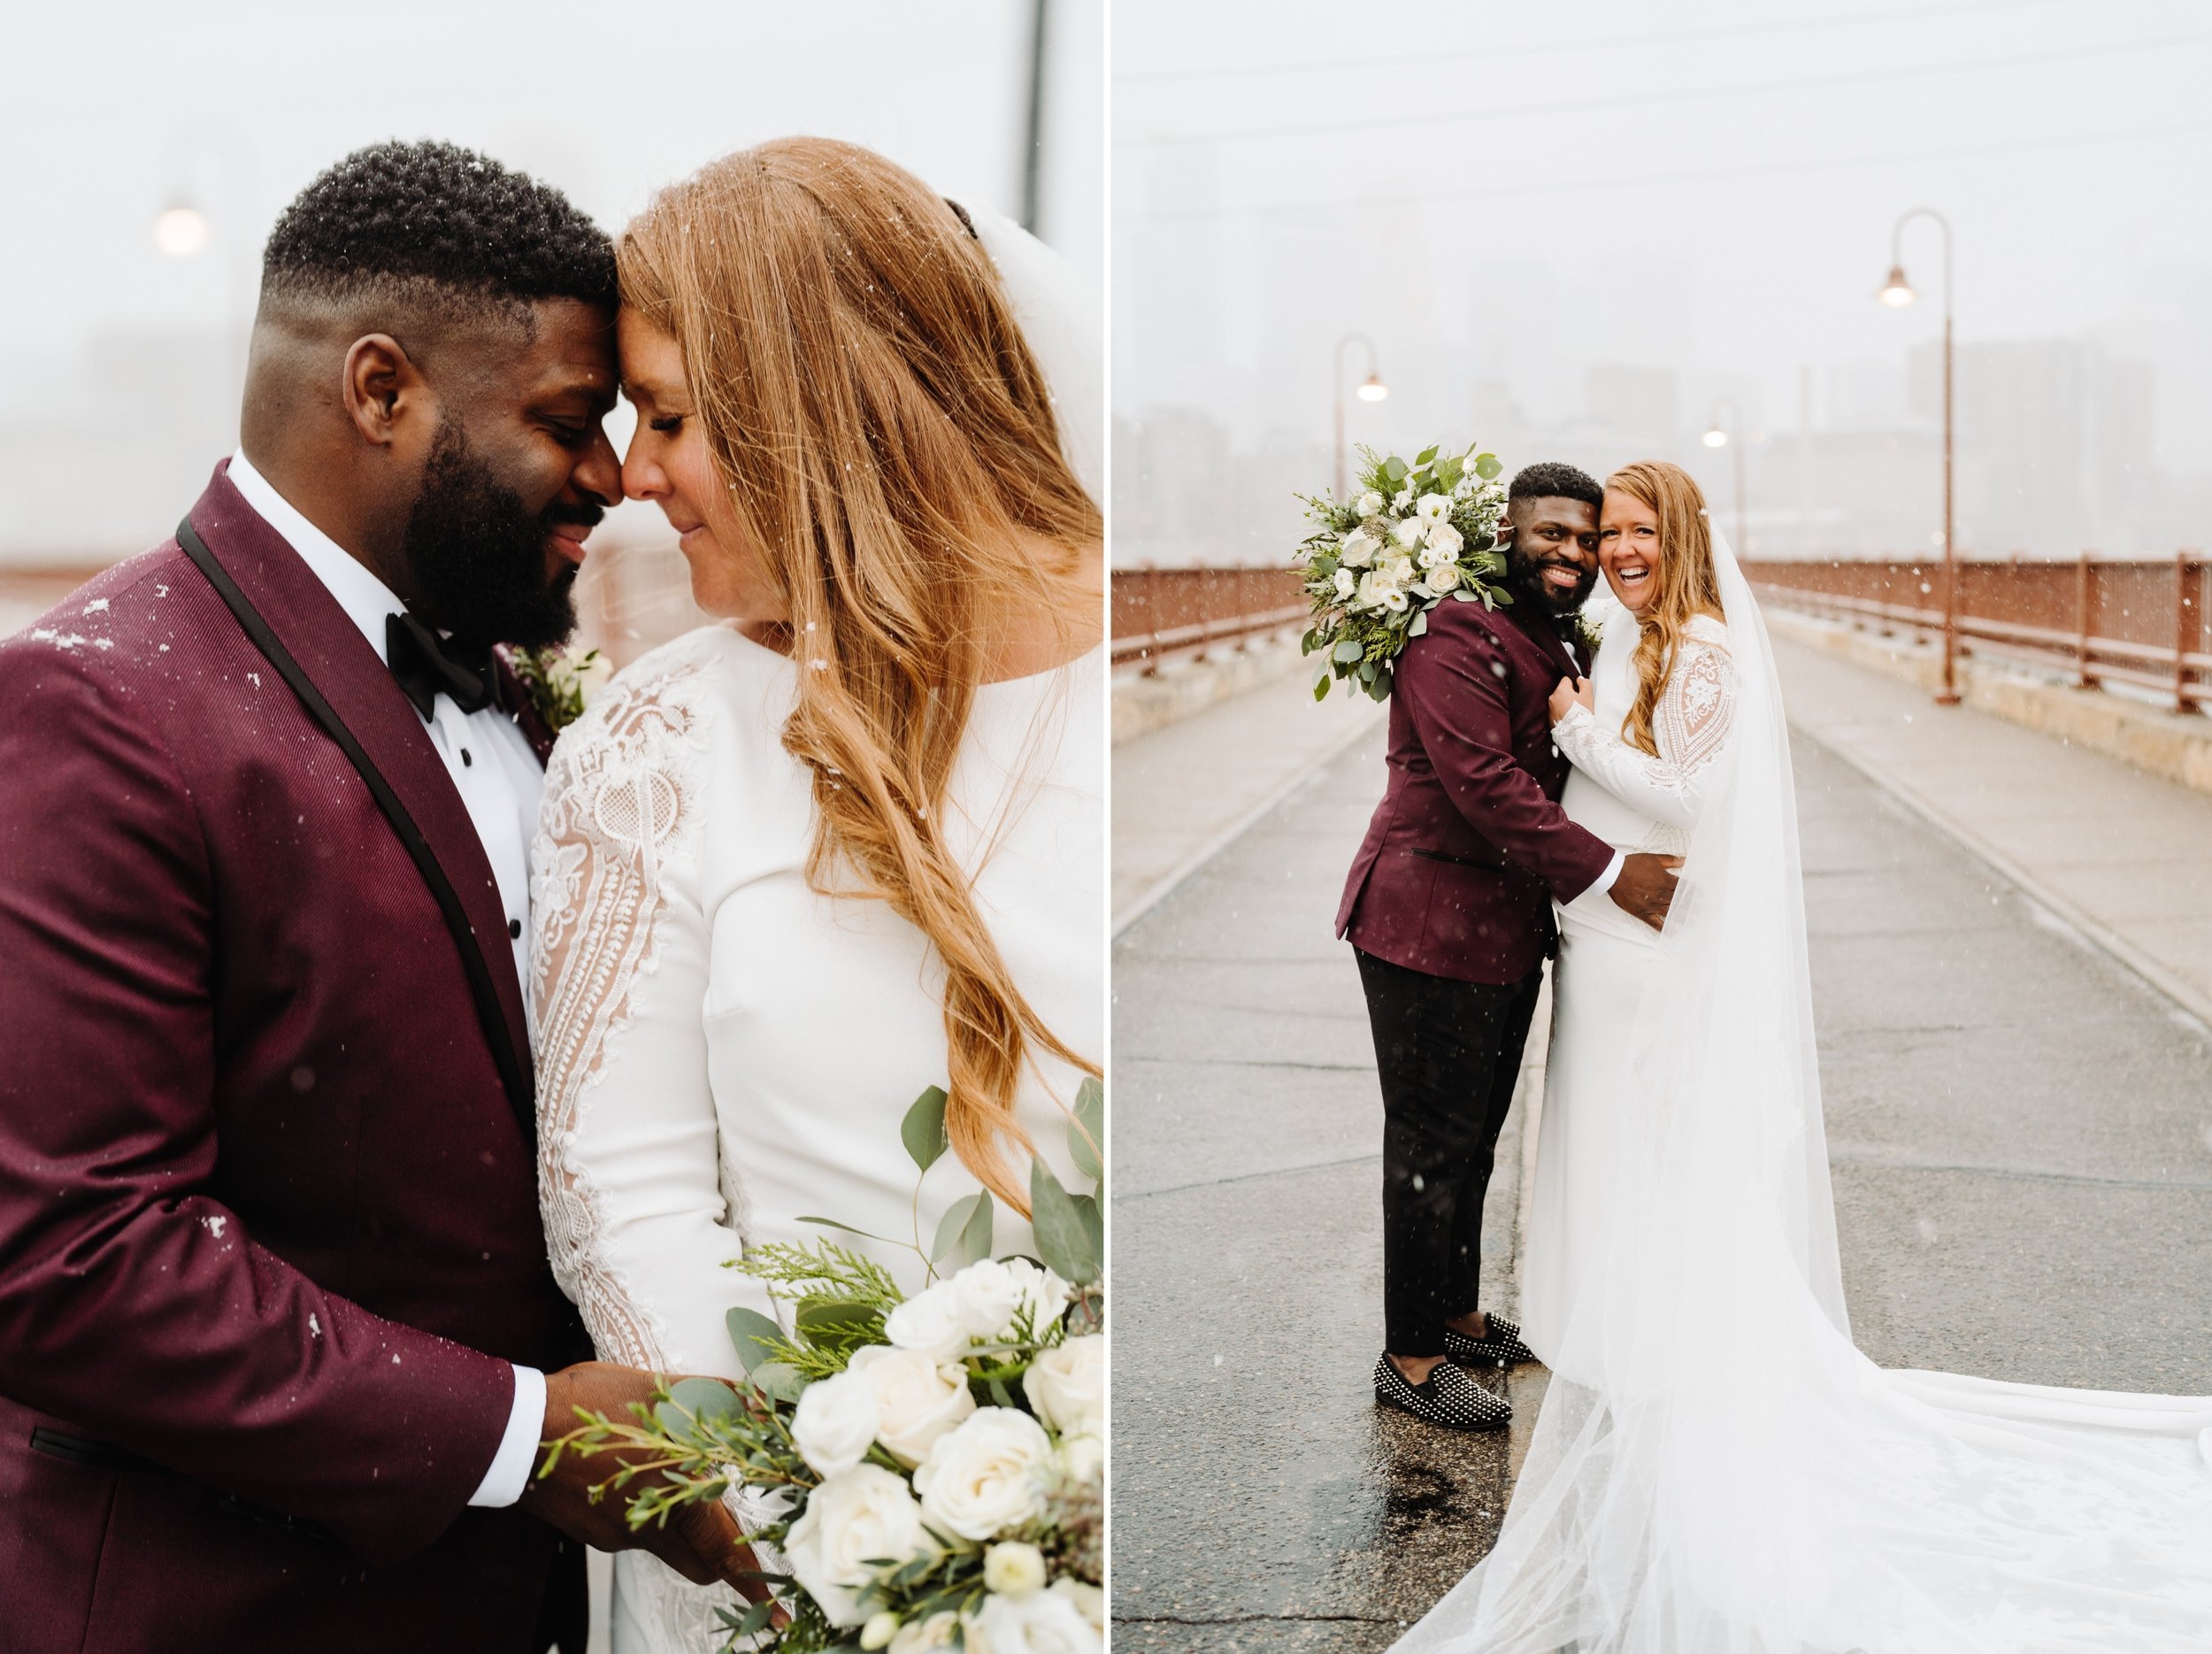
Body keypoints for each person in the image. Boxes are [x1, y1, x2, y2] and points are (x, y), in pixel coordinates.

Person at [0, 142, 763, 1654]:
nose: (610, 480)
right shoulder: (91, 706)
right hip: (227, 1605)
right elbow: (66, 1255)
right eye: (566, 420)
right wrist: (524, 1433)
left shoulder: (529, 695)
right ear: (379, 389)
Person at [1399, 461, 2212, 1652]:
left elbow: (1696, 798)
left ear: (1684, 536)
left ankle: (1681, 1375)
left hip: (1656, 963)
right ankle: (1636, 1357)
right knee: (1623, 1172)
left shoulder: (1707, 653)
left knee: (1658, 1169)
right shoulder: (1625, 638)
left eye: (1641, 530)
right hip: (1611, 955)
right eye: (1610, 532)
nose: (1622, 550)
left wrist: (1580, 734)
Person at [528, 137, 1104, 1650]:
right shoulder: (663, 743)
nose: (635, 473)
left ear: (816, 402)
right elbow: (623, 1195)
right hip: (796, 1561)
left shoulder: (1109, 687)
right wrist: (842, 1532)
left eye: (669, 414)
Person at [1336, 461, 1679, 1432]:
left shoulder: (1548, 629)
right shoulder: (1451, 630)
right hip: (1421, 923)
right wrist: (1615, 872)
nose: (1572, 554)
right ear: (1506, 534)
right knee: (1427, 1143)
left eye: (1586, 537)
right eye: (1550, 535)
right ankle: (1408, 1359)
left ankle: (1456, 1313)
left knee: (1477, 1139)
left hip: (1498, 933)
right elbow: (1485, 784)